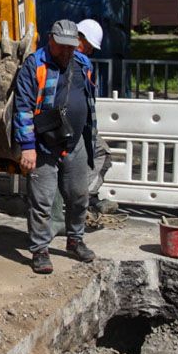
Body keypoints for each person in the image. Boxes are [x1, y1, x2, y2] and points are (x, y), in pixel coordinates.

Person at [13, 19, 98, 274]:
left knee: (79, 195)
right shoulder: (35, 65)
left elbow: (89, 101)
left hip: (75, 142)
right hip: (43, 145)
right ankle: (40, 250)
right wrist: (27, 146)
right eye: (62, 46)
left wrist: (89, 135)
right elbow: (23, 108)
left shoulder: (83, 64)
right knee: (42, 201)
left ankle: (75, 240)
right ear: (51, 40)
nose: (67, 52)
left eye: (72, 47)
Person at [75, 19, 118, 215]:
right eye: (90, 46)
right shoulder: (78, 61)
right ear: (79, 38)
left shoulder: (76, 60)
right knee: (101, 154)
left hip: (80, 124)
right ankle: (80, 199)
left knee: (101, 155)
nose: (90, 51)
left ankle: (85, 197)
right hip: (75, 126)